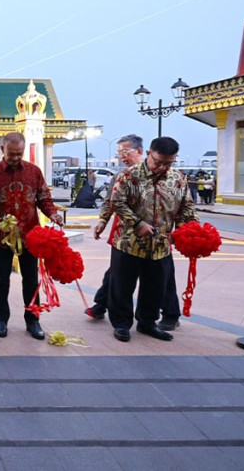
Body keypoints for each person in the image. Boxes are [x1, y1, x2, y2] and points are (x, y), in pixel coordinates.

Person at [108, 136, 198, 342]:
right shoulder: (129, 176)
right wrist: (138, 224)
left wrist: (187, 231)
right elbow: (118, 203)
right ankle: (121, 324)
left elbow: (187, 208)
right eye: (158, 162)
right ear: (148, 154)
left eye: (168, 163)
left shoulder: (178, 179)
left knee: (155, 287)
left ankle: (147, 323)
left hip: (160, 245)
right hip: (128, 242)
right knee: (122, 286)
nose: (162, 167)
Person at [0, 132, 64, 341]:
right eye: (12, 154)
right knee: (1, 280)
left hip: (30, 236)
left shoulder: (34, 172)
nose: (16, 158)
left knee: (31, 279)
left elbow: (44, 199)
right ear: (3, 150)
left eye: (19, 154)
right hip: (3, 237)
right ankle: (1, 319)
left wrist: (53, 214)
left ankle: (33, 319)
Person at [87, 134, 144, 320]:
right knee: (115, 272)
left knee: (160, 275)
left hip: (151, 234)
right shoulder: (120, 176)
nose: (121, 156)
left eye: (125, 151)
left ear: (140, 151)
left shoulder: (155, 175)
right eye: (119, 152)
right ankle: (103, 304)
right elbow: (109, 201)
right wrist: (103, 221)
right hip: (124, 233)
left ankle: (170, 313)